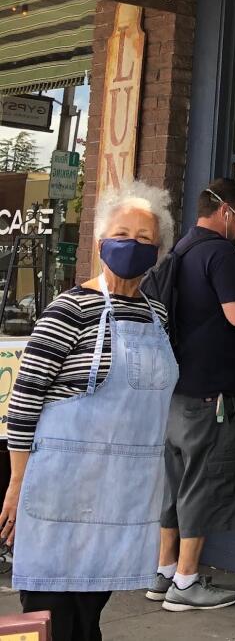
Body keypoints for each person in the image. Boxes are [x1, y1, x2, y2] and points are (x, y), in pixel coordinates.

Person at [0, 181, 177, 641]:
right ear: (100, 244)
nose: (131, 245)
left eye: (144, 238)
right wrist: (17, 483)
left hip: (120, 495)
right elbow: (25, 399)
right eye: (122, 234)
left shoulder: (156, 315)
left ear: (157, 253)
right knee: (50, 618)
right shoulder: (69, 309)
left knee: (89, 616)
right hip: (60, 492)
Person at [151, 178, 235, 612]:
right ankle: (187, 583)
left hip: (178, 390)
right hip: (212, 395)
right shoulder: (222, 252)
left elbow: (207, 306)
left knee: (176, 483)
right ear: (227, 210)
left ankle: (165, 572)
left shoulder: (184, 247)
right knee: (204, 482)